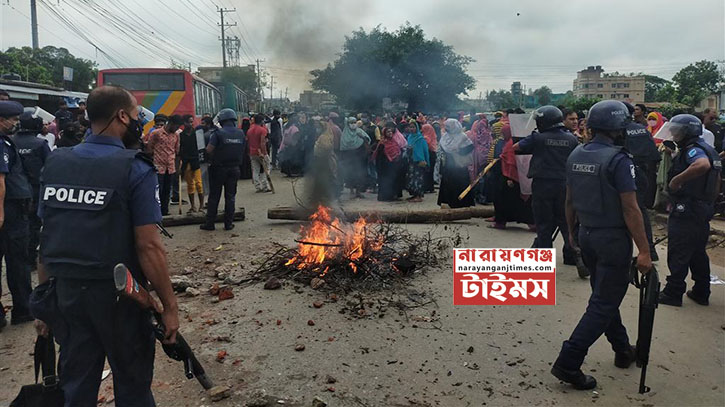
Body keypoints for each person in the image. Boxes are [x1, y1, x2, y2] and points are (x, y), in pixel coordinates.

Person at [33, 85, 178, 405]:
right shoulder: (135, 168)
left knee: (76, 388)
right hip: (121, 300)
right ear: (122, 116)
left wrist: (44, 303)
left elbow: (46, 238)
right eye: (138, 116)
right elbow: (149, 248)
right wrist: (169, 306)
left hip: (68, 297)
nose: (140, 123)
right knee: (133, 386)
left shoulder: (57, 164)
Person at [552, 100, 653, 390]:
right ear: (619, 128)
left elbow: (569, 200)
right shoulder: (619, 160)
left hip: (587, 234)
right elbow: (631, 209)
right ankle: (569, 361)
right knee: (603, 302)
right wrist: (644, 251)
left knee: (603, 296)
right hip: (611, 240)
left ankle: (622, 350)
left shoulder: (576, 154)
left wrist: (572, 234)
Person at [658, 114, 722, 307]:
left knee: (678, 250)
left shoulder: (694, 151)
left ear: (687, 132)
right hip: (702, 208)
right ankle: (701, 291)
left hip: (688, 208)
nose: (674, 132)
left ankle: (673, 292)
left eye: (678, 129)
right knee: (696, 251)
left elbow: (702, 166)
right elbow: (716, 180)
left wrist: (677, 181)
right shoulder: (709, 149)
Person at [513, 105, 579, 267]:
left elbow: (516, 148)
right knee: (566, 223)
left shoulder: (538, 138)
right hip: (565, 186)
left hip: (543, 186)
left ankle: (544, 262)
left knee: (544, 224)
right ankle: (572, 257)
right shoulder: (572, 138)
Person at [0, 101, 33, 328]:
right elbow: (0, 181)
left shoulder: (7, 142)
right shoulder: (1, 145)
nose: (16, 123)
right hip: (9, 213)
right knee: (18, 262)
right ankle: (23, 309)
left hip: (11, 209)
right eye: (12, 119)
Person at [12, 111, 51, 270]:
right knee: (34, 225)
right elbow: (50, 165)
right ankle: (30, 257)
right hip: (35, 190)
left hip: (15, 191)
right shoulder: (40, 144)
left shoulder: (11, 141)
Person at [623, 102, 660, 260]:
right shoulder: (643, 131)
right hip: (642, 174)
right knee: (640, 211)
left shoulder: (618, 131)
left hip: (624, 174)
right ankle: (649, 250)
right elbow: (654, 156)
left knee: (626, 211)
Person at [200, 108, 245, 231]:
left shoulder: (218, 133)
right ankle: (228, 224)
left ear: (221, 120)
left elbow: (209, 149)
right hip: (235, 169)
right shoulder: (240, 133)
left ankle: (210, 224)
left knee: (214, 196)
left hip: (218, 169)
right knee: (230, 197)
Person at [491, 124, 535, 229]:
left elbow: (511, 162)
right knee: (524, 202)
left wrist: (510, 178)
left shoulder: (511, 144)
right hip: (523, 176)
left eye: (503, 132)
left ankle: (500, 223)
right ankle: (532, 224)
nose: (502, 134)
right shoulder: (516, 142)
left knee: (504, 200)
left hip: (510, 177)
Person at [146, 114, 181, 216]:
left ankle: (165, 211)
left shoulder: (176, 135)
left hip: (170, 167)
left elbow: (176, 150)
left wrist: (177, 166)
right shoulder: (156, 133)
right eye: (176, 126)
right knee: (158, 191)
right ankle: (156, 211)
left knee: (167, 190)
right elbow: (149, 148)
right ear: (171, 123)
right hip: (158, 167)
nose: (177, 129)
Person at [438, 119, 474, 208]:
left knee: (460, 184)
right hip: (448, 165)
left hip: (459, 165)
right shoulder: (445, 137)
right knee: (448, 184)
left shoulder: (462, 136)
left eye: (449, 127)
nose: (447, 129)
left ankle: (462, 203)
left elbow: (470, 147)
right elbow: (442, 148)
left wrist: (459, 151)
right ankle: (448, 202)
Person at [340, 117, 371, 198]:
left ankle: (358, 191)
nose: (353, 124)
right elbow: (343, 146)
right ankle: (351, 190)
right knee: (350, 174)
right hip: (349, 158)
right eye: (351, 122)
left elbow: (368, 139)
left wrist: (362, 137)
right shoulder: (345, 133)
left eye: (354, 122)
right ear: (348, 124)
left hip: (359, 157)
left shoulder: (359, 131)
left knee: (359, 174)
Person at [179, 115, 204, 213]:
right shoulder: (181, 135)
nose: (191, 124)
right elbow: (180, 150)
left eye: (192, 122)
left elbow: (201, 148)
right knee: (190, 184)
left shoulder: (197, 133)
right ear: (184, 123)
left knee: (199, 184)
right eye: (189, 122)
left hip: (196, 161)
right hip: (186, 162)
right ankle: (193, 206)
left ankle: (201, 206)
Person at [374, 123, 405, 201]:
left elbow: (399, 151)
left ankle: (392, 196)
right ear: (384, 133)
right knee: (385, 182)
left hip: (394, 166)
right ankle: (384, 197)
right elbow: (379, 157)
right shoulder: (382, 143)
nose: (390, 133)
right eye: (388, 132)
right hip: (385, 167)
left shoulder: (394, 142)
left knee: (393, 181)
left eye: (391, 132)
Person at [404, 120, 429, 202]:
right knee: (411, 178)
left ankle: (418, 195)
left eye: (413, 127)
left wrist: (425, 160)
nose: (411, 129)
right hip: (411, 161)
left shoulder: (420, 139)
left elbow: (424, 150)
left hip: (419, 162)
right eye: (410, 127)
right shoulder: (409, 137)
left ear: (417, 128)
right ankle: (414, 194)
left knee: (418, 179)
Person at [247, 114, 271, 192]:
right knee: (266, 168)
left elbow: (248, 141)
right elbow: (262, 143)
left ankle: (257, 186)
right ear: (261, 121)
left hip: (252, 152)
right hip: (260, 152)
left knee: (255, 169)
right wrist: (264, 153)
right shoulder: (262, 130)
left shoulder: (249, 130)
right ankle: (265, 185)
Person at [421, 121, 438, 193]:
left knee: (425, 171)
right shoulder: (433, 136)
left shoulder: (425, 137)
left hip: (427, 155)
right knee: (431, 172)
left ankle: (425, 187)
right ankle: (430, 188)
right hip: (433, 154)